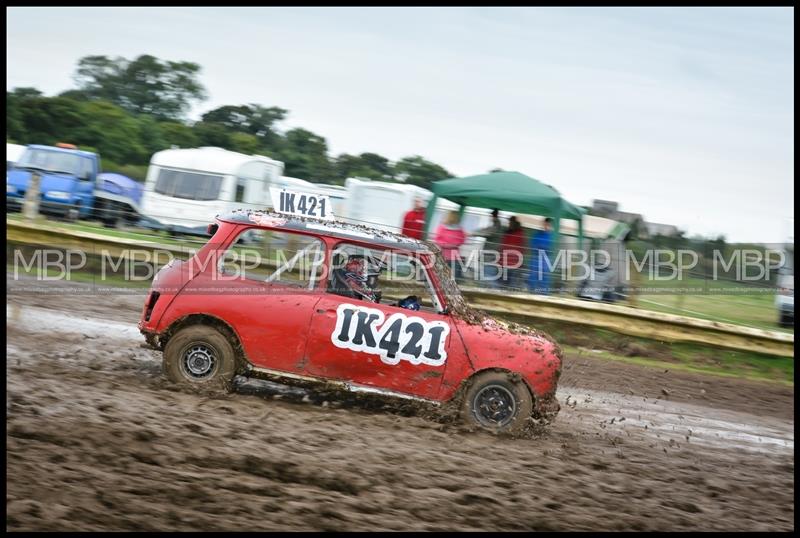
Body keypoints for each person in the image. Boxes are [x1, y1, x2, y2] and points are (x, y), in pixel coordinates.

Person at [472, 208, 504, 287]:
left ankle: (496, 292)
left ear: (494, 216)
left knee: (488, 277)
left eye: (491, 216)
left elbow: (487, 232)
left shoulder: (496, 227)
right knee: (486, 276)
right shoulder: (496, 226)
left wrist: (473, 233)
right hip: (490, 255)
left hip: (490, 256)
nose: (490, 217)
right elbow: (486, 230)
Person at [433, 211, 466, 281]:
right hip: (449, 255)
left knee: (444, 274)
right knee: (448, 275)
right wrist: (452, 245)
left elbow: (437, 239)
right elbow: (461, 240)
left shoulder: (459, 229)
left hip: (447, 255)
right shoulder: (459, 229)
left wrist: (446, 244)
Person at [528, 217, 554, 294]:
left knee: (544, 277)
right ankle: (532, 293)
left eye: (548, 224)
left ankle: (544, 295)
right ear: (543, 224)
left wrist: (543, 248)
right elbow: (533, 245)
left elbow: (551, 247)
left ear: (550, 225)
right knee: (533, 276)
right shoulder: (537, 234)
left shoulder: (552, 236)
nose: (546, 226)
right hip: (536, 258)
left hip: (545, 259)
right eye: (545, 224)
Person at [500, 216, 525, 290]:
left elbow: (521, 248)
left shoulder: (517, 233)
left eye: (509, 222)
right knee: (506, 282)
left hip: (512, 262)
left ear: (512, 222)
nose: (508, 223)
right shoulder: (511, 233)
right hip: (508, 261)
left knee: (508, 282)